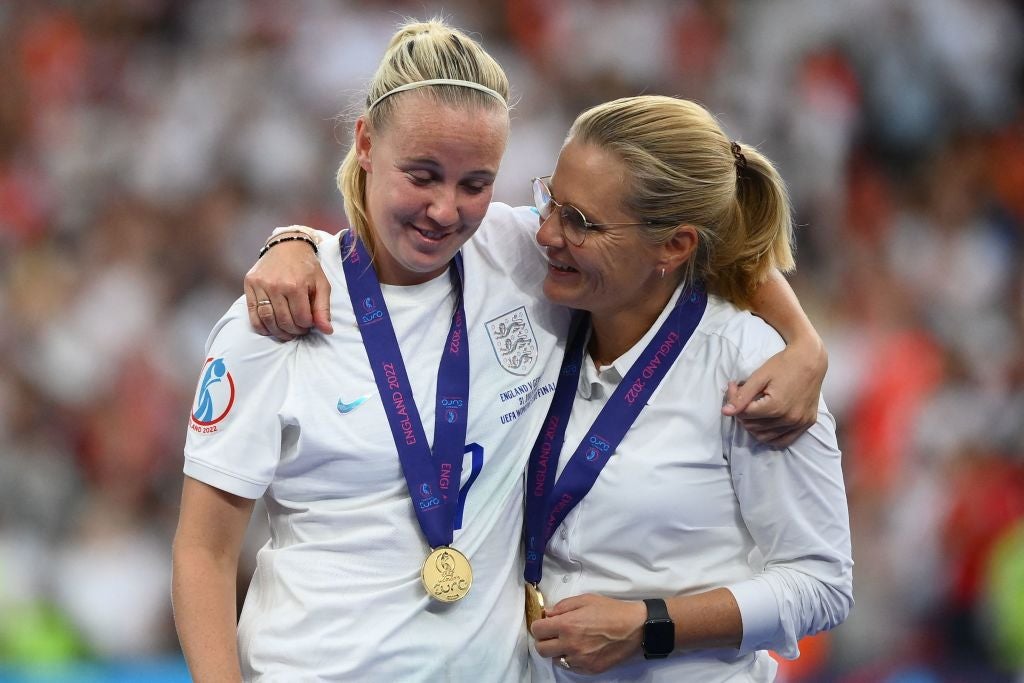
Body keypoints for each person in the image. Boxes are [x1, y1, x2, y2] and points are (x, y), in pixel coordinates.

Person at [173, 18, 827, 683]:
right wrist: (295, 240)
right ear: (366, 143)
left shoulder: (521, 259)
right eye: (422, 175)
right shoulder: (278, 317)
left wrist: (803, 340)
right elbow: (203, 551)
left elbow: (686, 244)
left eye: (475, 183)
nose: (445, 210)